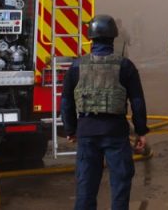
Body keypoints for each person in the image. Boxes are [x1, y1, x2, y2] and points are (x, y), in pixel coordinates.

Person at [62, 15, 149, 210]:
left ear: (91, 38)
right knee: (120, 184)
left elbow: (66, 100)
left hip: (86, 132)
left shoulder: (76, 66)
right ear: (113, 38)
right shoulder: (125, 66)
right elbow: (137, 101)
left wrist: (70, 129)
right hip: (116, 132)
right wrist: (141, 131)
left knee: (86, 186)